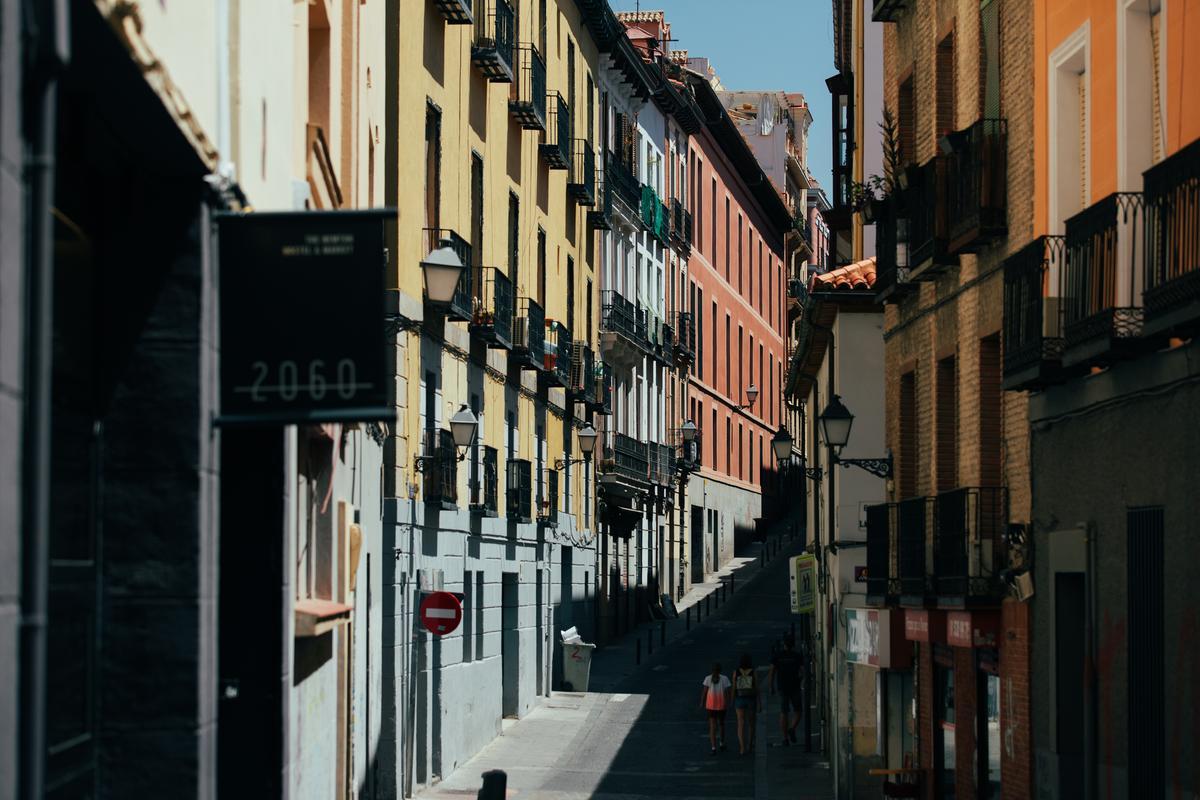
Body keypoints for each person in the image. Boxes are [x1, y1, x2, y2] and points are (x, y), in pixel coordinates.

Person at [768, 635, 803, 745]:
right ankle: (792, 728)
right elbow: (802, 671)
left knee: (784, 712)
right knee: (798, 711)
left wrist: (771, 686)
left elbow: (772, 672)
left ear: (784, 644)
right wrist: (801, 680)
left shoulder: (778, 656)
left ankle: (784, 738)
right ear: (793, 645)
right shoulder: (797, 656)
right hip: (795, 686)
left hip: (782, 687)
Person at [732, 652, 762, 755]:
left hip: (739, 698)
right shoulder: (753, 672)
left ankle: (742, 747)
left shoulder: (736, 672)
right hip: (751, 698)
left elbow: (733, 688)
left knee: (740, 723)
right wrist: (759, 702)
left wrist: (732, 700)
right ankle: (750, 745)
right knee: (751, 723)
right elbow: (757, 688)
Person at [700, 662, 731, 755]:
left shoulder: (708, 678)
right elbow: (727, 692)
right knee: (721, 724)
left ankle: (713, 747)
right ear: (720, 670)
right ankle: (721, 743)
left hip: (711, 705)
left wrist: (702, 702)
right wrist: (728, 701)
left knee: (712, 726)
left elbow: (704, 692)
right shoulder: (725, 679)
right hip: (721, 705)